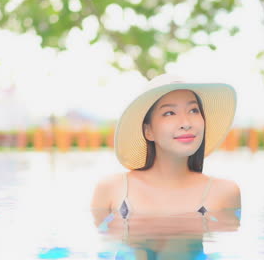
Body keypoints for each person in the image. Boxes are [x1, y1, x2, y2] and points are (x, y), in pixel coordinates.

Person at [91, 74, 241, 238]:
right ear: (148, 131)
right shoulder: (112, 189)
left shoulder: (224, 192)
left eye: (193, 110)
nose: (186, 123)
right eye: (169, 113)